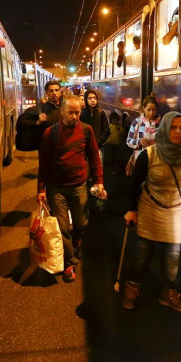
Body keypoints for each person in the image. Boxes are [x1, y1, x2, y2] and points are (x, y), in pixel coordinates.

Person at [120, 112, 181, 312]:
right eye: (173, 127)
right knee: (143, 254)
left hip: (177, 211)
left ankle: (167, 292)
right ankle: (132, 287)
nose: (178, 132)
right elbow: (135, 183)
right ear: (164, 129)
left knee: (172, 256)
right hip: (150, 207)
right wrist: (131, 210)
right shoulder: (150, 153)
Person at [37, 94, 106, 283]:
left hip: (79, 186)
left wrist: (99, 181)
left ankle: (77, 240)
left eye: (77, 113)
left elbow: (94, 156)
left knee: (81, 224)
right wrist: (41, 188)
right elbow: (43, 162)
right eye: (70, 113)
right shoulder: (50, 133)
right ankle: (70, 262)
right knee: (62, 227)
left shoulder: (86, 130)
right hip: (56, 188)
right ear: (62, 112)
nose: (75, 117)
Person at [125, 95, 161, 175]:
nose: (151, 113)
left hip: (156, 160)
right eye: (149, 110)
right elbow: (129, 140)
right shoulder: (137, 123)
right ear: (143, 109)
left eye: (154, 110)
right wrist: (138, 142)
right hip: (139, 159)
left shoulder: (161, 124)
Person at [79, 88, 110, 166]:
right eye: (90, 98)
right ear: (86, 100)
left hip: (98, 148)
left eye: (94, 98)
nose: (93, 100)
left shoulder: (101, 113)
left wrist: (100, 141)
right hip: (84, 149)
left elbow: (106, 130)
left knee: (98, 168)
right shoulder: (81, 113)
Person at [106, 110, 127, 175]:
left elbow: (123, 133)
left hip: (117, 145)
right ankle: (113, 168)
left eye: (116, 120)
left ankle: (116, 168)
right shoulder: (109, 126)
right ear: (111, 120)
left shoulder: (119, 127)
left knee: (117, 157)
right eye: (114, 120)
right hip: (110, 144)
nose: (115, 121)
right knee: (112, 156)